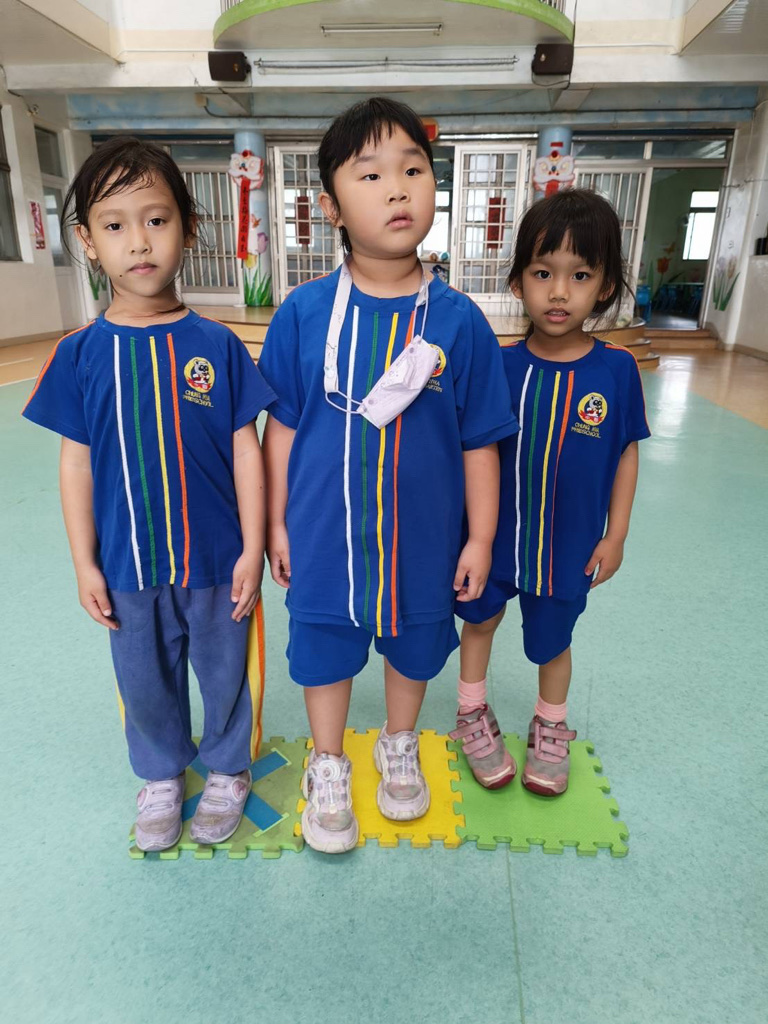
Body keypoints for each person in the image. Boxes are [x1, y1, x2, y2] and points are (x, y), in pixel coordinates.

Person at [258, 98, 517, 853]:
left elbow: (480, 442)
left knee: (414, 643)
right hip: (323, 531)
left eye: (413, 170)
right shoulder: (302, 314)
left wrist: (480, 538)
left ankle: (398, 743)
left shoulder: (460, 322)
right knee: (324, 646)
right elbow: (282, 429)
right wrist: (275, 523)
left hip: (424, 539)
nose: (398, 189)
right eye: (370, 175)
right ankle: (329, 762)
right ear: (332, 207)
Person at [22, 137, 275, 851]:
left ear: (188, 228)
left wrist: (253, 547)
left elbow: (246, 450)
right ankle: (162, 773)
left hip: (216, 559)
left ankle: (227, 767)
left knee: (225, 671)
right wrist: (84, 563)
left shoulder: (218, 344)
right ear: (86, 241)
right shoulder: (78, 355)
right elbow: (76, 465)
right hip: (127, 564)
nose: (139, 241)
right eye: (115, 224)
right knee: (142, 678)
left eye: (157, 220)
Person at [451, 188, 651, 796]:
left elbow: (626, 452)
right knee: (480, 623)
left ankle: (551, 725)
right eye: (543, 273)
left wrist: (616, 536)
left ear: (606, 286)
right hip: (495, 540)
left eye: (580, 275)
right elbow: (472, 450)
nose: (559, 292)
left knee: (552, 643)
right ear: (518, 282)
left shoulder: (616, 370)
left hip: (568, 545)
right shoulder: (499, 364)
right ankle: (471, 714)